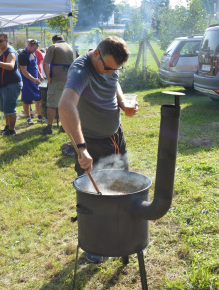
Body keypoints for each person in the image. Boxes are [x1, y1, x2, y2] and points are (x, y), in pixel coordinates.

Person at [58, 36, 137, 263]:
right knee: (94, 196)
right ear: (96, 55)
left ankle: (120, 234)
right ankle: (95, 243)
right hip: (92, 142)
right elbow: (65, 105)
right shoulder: (81, 71)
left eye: (116, 69)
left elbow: (115, 81)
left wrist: (122, 103)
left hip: (115, 137)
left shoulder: (109, 63)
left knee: (121, 187)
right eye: (108, 68)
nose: (112, 73)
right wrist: (81, 149)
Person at [0, 33, 22, 136]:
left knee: (10, 108)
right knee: (5, 108)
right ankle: (7, 127)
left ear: (6, 41)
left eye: (0, 41)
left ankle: (12, 130)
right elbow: (0, 65)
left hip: (11, 84)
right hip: (3, 86)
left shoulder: (10, 52)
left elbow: (11, 66)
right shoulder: (0, 51)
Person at [41, 35, 74, 135]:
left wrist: (49, 78)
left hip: (57, 79)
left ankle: (49, 128)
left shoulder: (53, 47)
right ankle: (65, 126)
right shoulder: (70, 47)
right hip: (70, 80)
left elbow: (45, 63)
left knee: (51, 104)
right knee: (66, 104)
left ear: (54, 41)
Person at [18, 39, 44, 125]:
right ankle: (28, 118)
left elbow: (35, 66)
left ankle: (39, 116)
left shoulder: (33, 53)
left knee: (38, 98)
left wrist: (40, 76)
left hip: (35, 80)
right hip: (27, 81)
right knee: (27, 100)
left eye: (36, 49)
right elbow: (24, 71)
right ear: (29, 46)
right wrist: (34, 79)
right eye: (34, 48)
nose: (35, 50)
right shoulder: (23, 55)